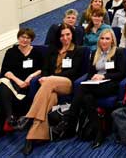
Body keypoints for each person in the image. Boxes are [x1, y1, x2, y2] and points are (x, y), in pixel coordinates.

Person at [22, 25, 87, 155]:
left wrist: (50, 78)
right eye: (62, 35)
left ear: (72, 35)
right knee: (49, 99)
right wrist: (45, 77)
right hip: (49, 85)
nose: (65, 38)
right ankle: (31, 138)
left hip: (67, 83)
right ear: (59, 37)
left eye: (68, 34)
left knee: (49, 82)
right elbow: (45, 68)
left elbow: (73, 72)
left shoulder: (79, 50)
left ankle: (29, 117)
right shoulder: (52, 49)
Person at [57, 29, 126, 148]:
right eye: (102, 38)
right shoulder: (95, 53)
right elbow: (90, 73)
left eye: (107, 39)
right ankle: (99, 133)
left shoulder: (118, 52)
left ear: (112, 41)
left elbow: (121, 73)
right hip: (95, 86)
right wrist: (92, 79)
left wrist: (104, 76)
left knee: (82, 88)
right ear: (99, 40)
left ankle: (69, 119)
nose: (104, 41)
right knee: (87, 98)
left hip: (111, 84)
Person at [0, 29, 43, 143]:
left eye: (27, 38)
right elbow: (5, 71)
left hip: (28, 85)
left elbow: (42, 68)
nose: (24, 40)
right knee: (3, 84)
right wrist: (17, 81)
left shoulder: (36, 52)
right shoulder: (11, 52)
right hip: (13, 84)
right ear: (18, 38)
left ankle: (1, 128)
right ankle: (10, 117)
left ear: (31, 40)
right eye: (22, 37)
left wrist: (30, 77)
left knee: (2, 97)